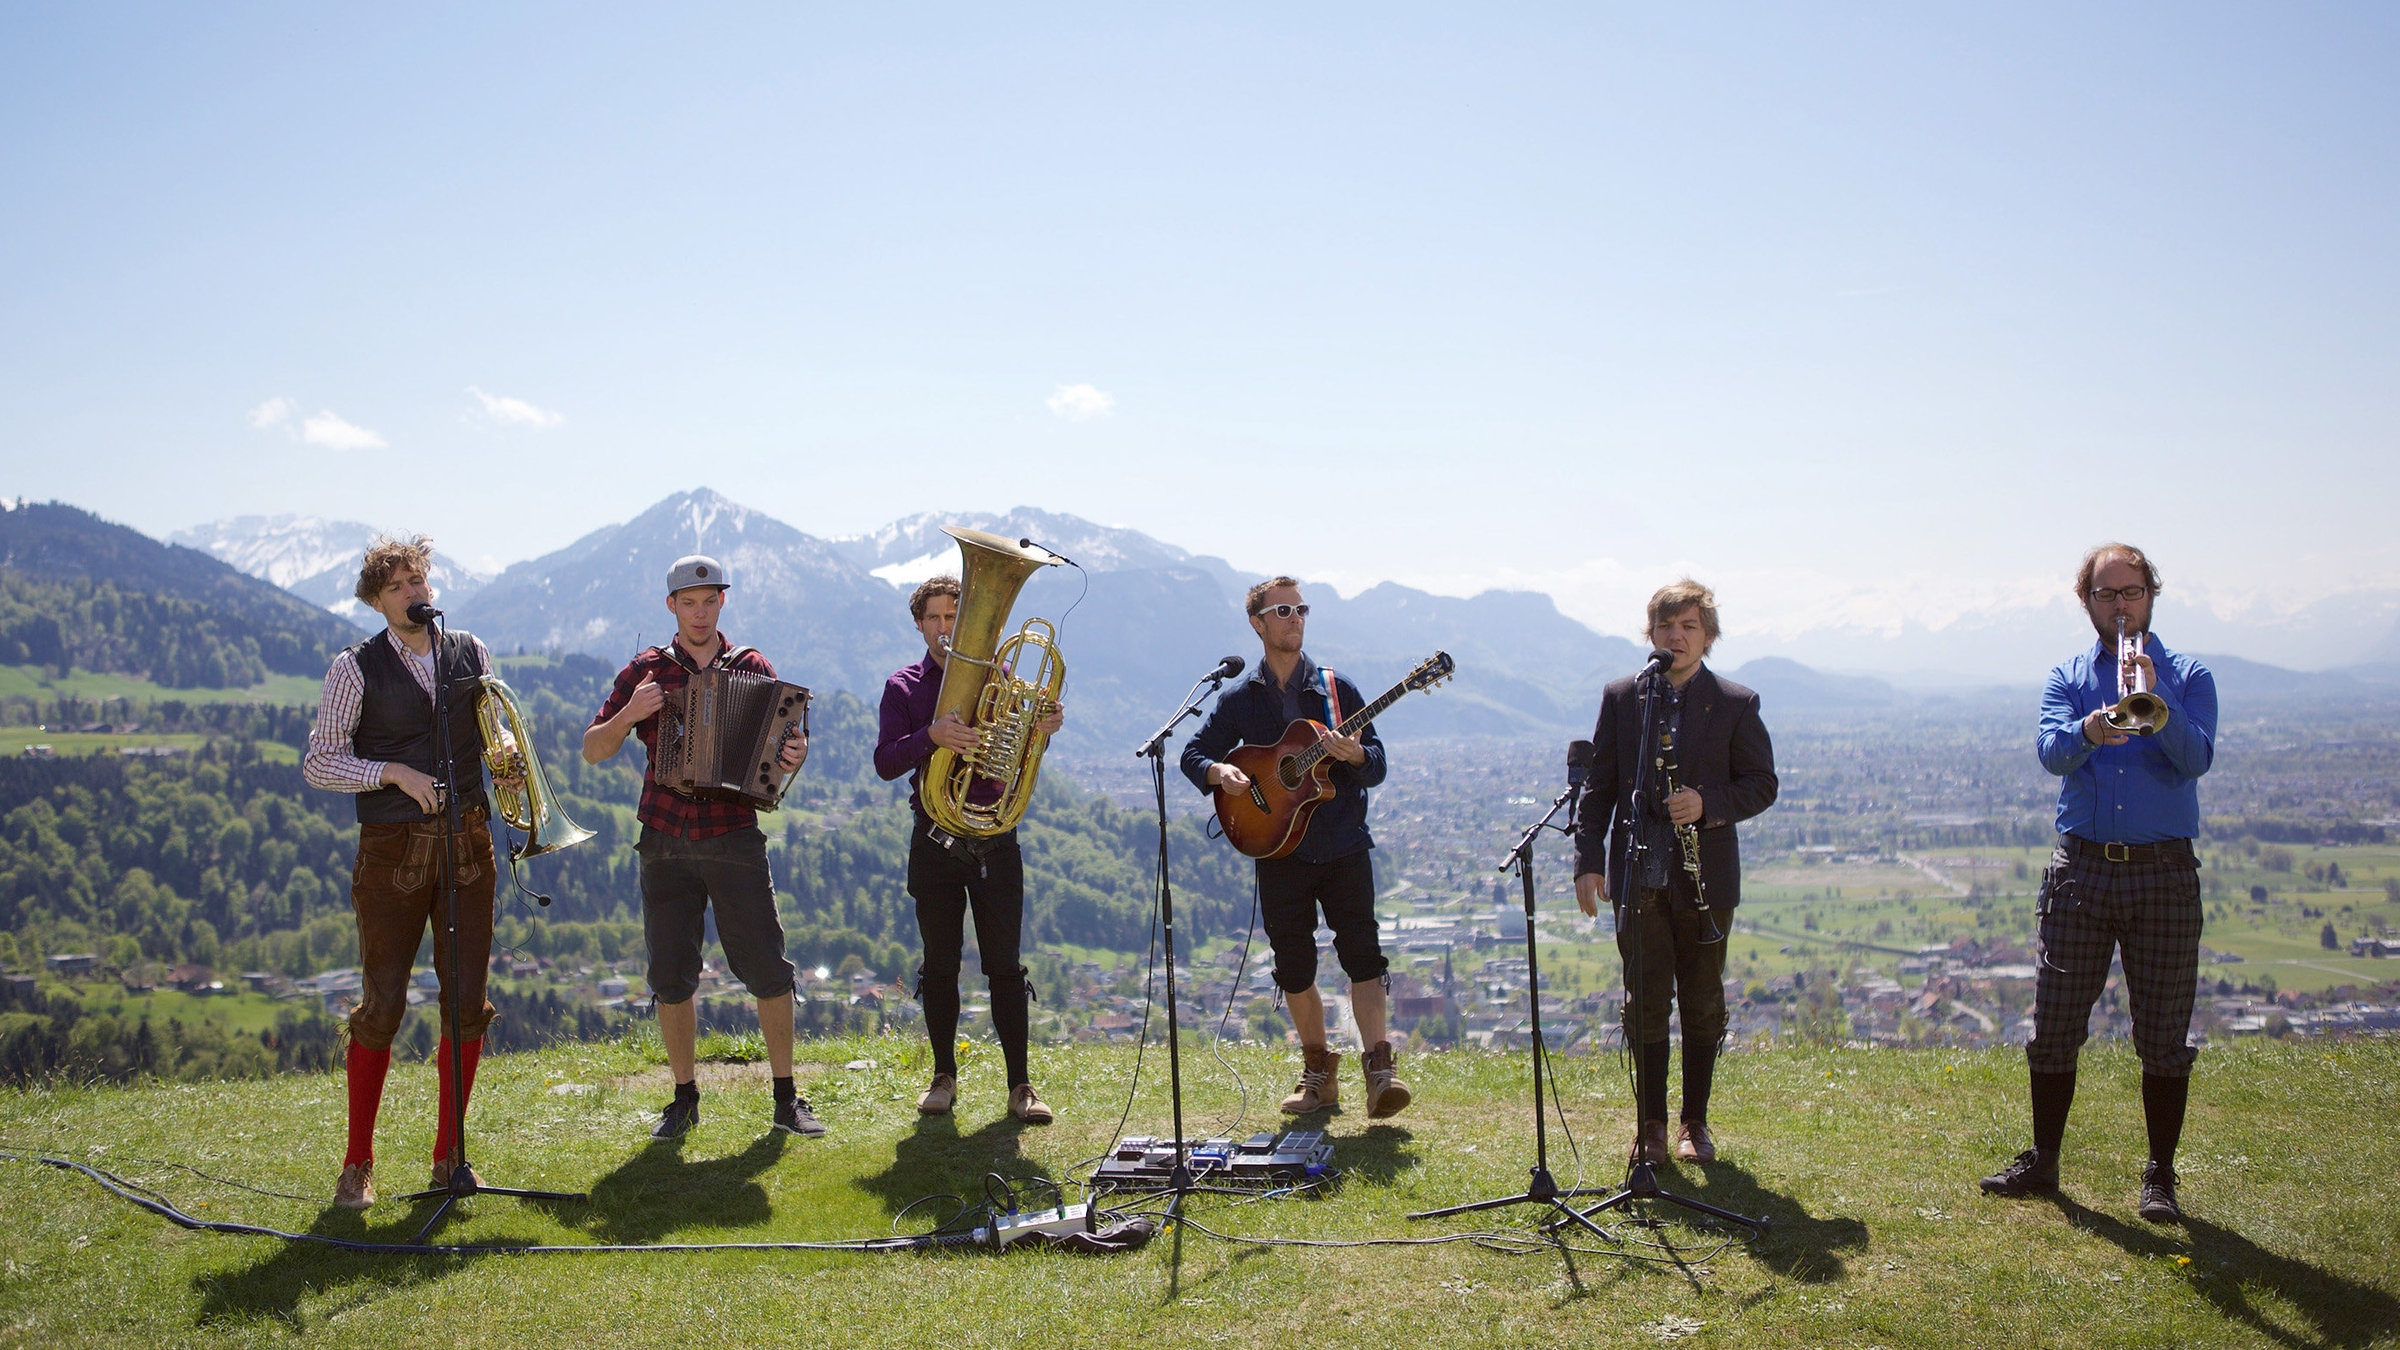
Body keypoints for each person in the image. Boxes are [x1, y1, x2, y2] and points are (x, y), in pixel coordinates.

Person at [1980, 543, 2216, 1224]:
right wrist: (2093, 726)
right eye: (2107, 595)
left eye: (2132, 593)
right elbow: (2052, 753)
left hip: (2164, 872)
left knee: (2163, 1032)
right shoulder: (2068, 676)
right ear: (2086, 601)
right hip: (2081, 868)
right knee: (2055, 1022)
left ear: (2151, 597)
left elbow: (2196, 757)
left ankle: (2160, 1176)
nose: (2120, 606)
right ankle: (2044, 1159)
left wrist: (2156, 694)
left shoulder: (2189, 674)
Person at [304, 535, 511, 1209]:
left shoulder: (469, 650)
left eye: (418, 580)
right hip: (391, 853)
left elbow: (490, 730)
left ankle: (450, 1157)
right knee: (383, 1006)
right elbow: (319, 763)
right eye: (396, 586)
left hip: (469, 846)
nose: (413, 593)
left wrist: (503, 750)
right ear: (374, 600)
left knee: (467, 1005)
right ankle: (357, 1164)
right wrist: (389, 771)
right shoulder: (353, 668)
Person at [584, 554, 818, 1141]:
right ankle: (683, 1097)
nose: (699, 611)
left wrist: (796, 753)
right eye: (688, 602)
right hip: (663, 838)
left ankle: (786, 1098)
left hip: (734, 835)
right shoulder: (646, 671)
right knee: (670, 973)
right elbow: (592, 748)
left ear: (722, 602)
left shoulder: (752, 665)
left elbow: (790, 741)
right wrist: (630, 715)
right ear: (671, 607)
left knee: (766, 965)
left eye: (709, 600)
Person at [1182, 576, 1410, 1118]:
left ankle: (1380, 1071)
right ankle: (1318, 1073)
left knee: (1363, 955)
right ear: (1258, 624)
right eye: (1283, 610)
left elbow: (1376, 765)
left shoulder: (1337, 691)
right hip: (1277, 847)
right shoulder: (1240, 699)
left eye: (1301, 609)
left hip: (1343, 843)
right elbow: (1194, 752)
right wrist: (1220, 772)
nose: (1295, 617)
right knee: (1294, 964)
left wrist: (1354, 756)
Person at [1573, 580, 1778, 1166]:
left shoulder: (1737, 703)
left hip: (1705, 876)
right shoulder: (1624, 696)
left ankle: (1695, 1123)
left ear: (1708, 637)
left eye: (1689, 626)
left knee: (1703, 1002)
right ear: (1651, 634)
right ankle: (1651, 1126)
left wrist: (1709, 804)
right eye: (1666, 626)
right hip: (1640, 873)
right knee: (1644, 1001)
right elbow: (1601, 787)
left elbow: (1762, 784)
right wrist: (1589, 860)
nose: (1676, 636)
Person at [876, 575, 1066, 1123]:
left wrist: (1044, 727)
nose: (943, 628)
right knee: (939, 966)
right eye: (933, 618)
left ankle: (1021, 1086)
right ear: (919, 624)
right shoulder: (905, 686)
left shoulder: (1007, 683)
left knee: (1005, 967)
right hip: (934, 840)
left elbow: (1022, 750)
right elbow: (886, 762)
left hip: (996, 841)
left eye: (954, 617)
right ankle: (943, 1078)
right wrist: (930, 737)